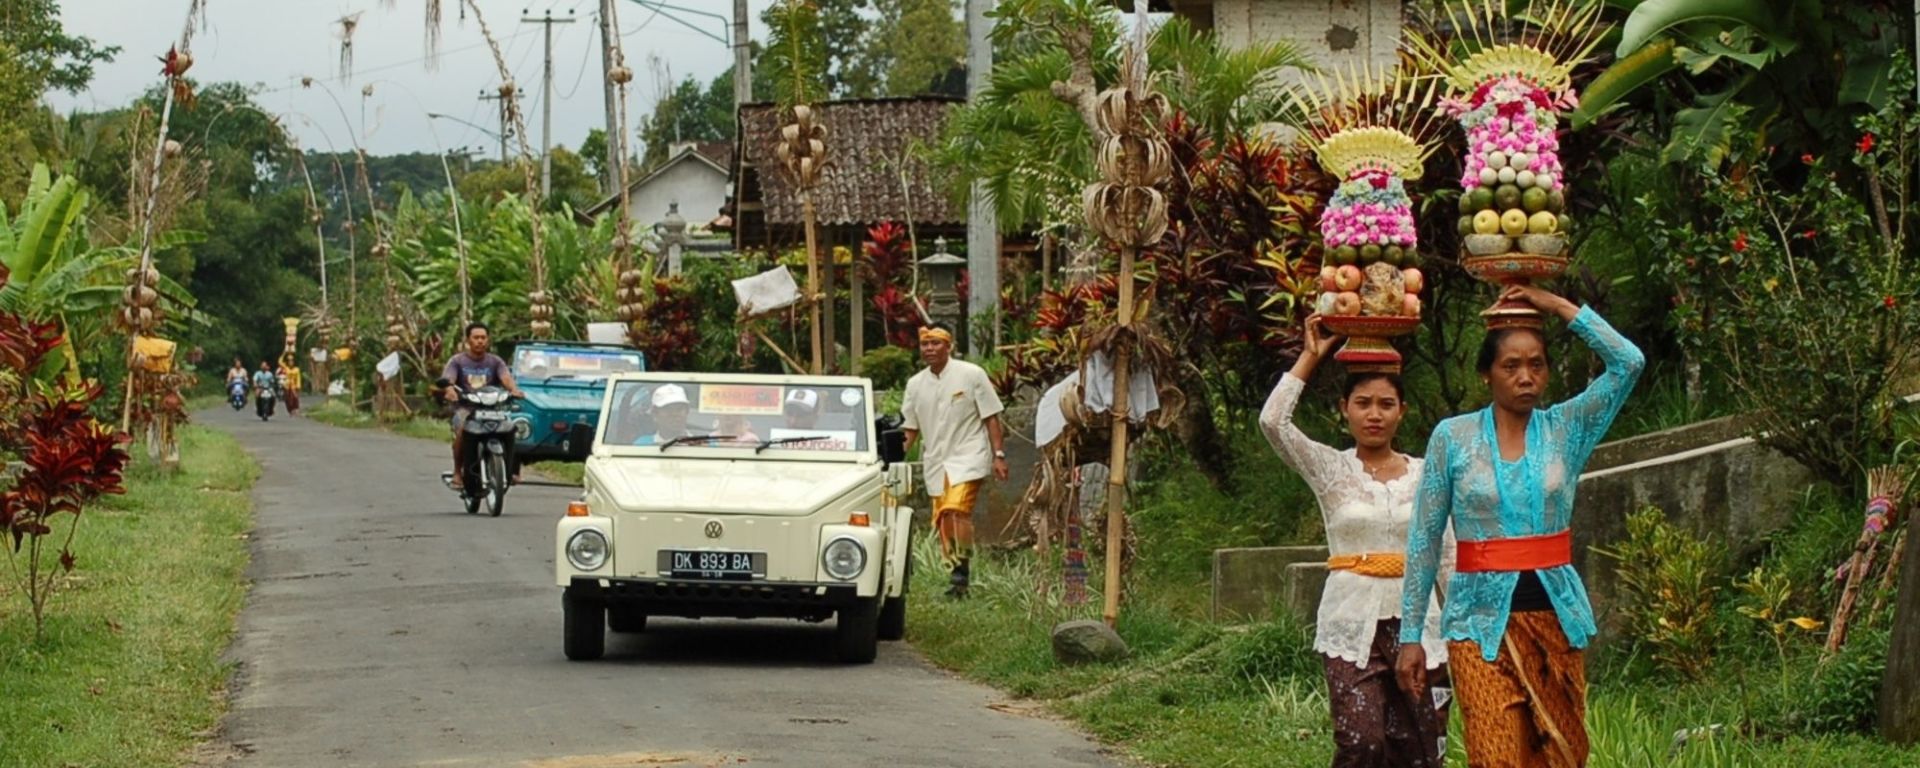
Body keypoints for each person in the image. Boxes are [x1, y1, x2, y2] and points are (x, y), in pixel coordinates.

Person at [1396, 285, 1645, 768]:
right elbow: (1425, 538)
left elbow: (1629, 363)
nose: (1526, 377)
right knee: (1495, 755)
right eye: (1511, 366)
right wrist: (1411, 635)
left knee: (1561, 754)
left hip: (1556, 619)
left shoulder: (1567, 429)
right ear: (1486, 374)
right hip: (1476, 623)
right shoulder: (1453, 437)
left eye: (1536, 364)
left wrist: (1557, 307)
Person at [1260, 315, 1452, 768]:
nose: (1374, 414)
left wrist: (1462, 628)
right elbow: (1273, 423)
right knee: (1361, 744)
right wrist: (1311, 356)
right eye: (1362, 403)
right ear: (1344, 409)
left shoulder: (1428, 474)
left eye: (1386, 404)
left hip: (1421, 625)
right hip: (1351, 625)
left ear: (1401, 412)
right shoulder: (1331, 471)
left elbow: (1448, 553)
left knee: (1421, 749)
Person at [901, 325, 1008, 598]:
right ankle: (958, 572)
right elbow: (909, 428)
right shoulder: (915, 384)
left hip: (969, 455)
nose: (929, 349)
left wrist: (998, 454)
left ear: (948, 345)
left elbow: (991, 416)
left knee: (956, 510)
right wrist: (891, 456)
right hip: (936, 459)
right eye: (925, 344)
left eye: (935, 343)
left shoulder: (971, 374)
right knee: (943, 518)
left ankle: (961, 577)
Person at [440, 322, 524, 489]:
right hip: (466, 408)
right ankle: (457, 472)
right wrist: (450, 390)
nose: (480, 341)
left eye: (483, 338)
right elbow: (449, 379)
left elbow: (505, 377)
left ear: (488, 340)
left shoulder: (495, 361)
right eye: (476, 337)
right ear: (468, 340)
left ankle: (510, 470)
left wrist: (514, 390)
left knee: (513, 429)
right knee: (461, 432)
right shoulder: (457, 361)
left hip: (492, 408)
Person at [633, 384, 698, 445]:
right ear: (655, 414)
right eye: (668, 409)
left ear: (687, 412)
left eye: (679, 409)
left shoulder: (702, 444)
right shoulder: (641, 444)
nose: (675, 414)